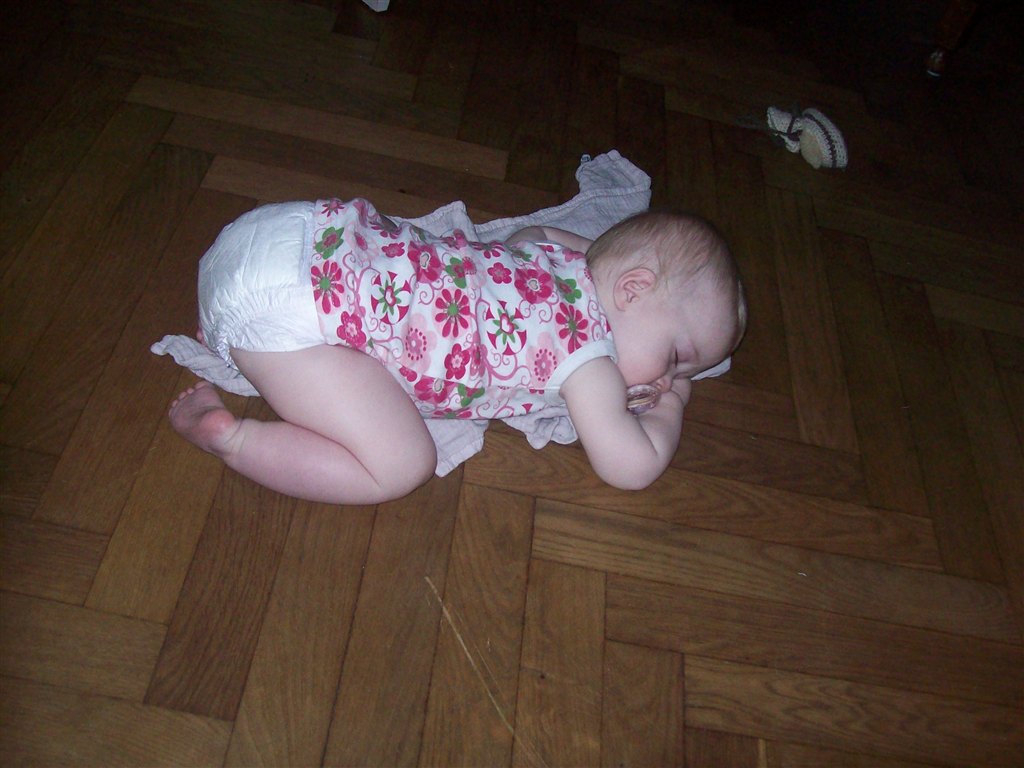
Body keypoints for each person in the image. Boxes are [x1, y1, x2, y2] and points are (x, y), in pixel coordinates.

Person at [169, 198, 746, 504]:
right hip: (296, 314)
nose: (670, 378)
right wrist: (673, 406)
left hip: (290, 232)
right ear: (632, 290)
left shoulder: (559, 258)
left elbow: (532, 238)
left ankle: (235, 334)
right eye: (677, 359)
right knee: (401, 465)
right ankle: (237, 441)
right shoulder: (588, 362)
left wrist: (593, 257)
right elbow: (631, 467)